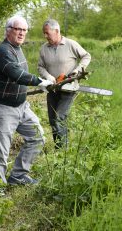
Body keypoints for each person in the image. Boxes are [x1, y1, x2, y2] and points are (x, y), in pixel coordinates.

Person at [0, 16, 53, 186]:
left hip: (21, 107)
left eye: (24, 30)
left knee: (37, 137)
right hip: (3, 108)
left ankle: (18, 176)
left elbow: (20, 74)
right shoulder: (3, 51)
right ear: (8, 30)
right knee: (1, 152)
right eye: (18, 29)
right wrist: (38, 81)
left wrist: (42, 83)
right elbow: (16, 74)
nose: (22, 33)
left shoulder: (17, 48)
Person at [38, 19, 91, 149]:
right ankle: (59, 149)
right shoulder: (44, 48)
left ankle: (63, 150)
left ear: (56, 31)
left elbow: (86, 56)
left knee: (59, 118)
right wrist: (48, 76)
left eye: (47, 33)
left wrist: (77, 70)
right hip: (52, 89)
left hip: (69, 89)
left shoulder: (70, 44)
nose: (45, 36)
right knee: (52, 121)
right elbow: (40, 67)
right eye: (44, 33)